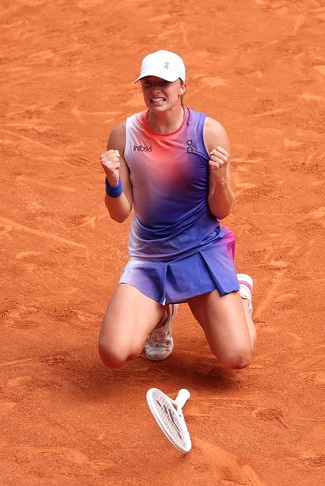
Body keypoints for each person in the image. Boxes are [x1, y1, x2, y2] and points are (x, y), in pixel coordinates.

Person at [98, 50, 256, 370]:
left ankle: (239, 295)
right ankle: (163, 311)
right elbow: (119, 213)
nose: (156, 91)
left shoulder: (209, 132)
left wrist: (222, 177)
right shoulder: (123, 135)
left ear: (182, 86)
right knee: (113, 353)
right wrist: (113, 181)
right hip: (150, 258)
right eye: (148, 84)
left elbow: (220, 210)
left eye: (165, 83)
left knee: (237, 356)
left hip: (201, 253)